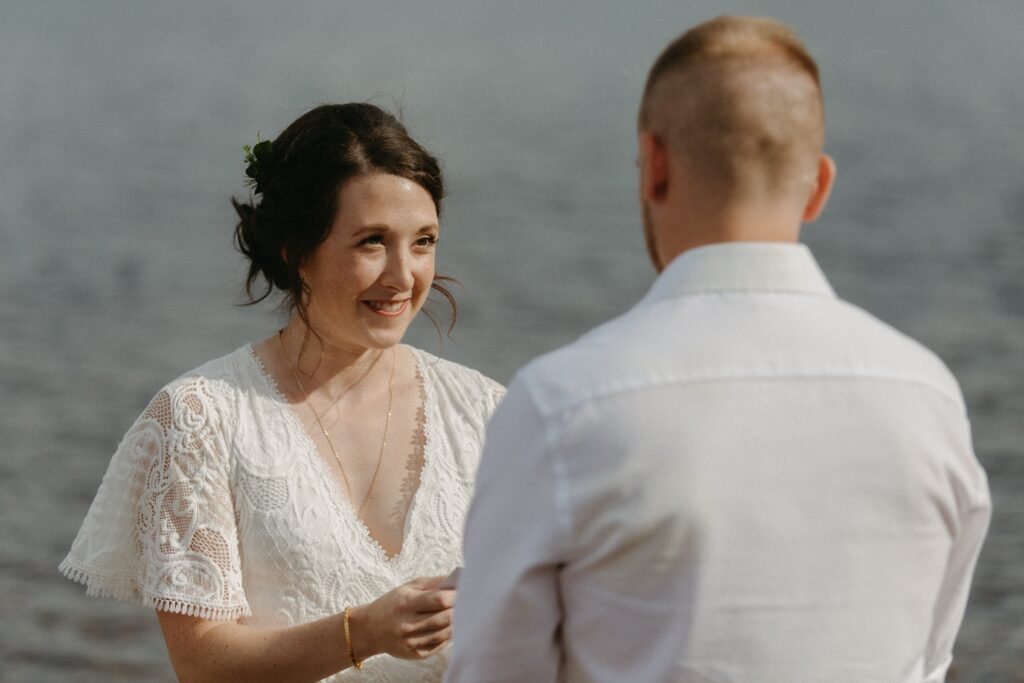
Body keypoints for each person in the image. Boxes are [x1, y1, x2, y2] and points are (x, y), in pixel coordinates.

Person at [447, 16, 990, 683]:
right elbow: (930, 659)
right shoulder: (928, 398)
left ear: (657, 167)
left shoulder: (562, 405)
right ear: (819, 186)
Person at [61, 103, 504, 682]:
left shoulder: (487, 411)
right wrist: (363, 633)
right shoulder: (201, 417)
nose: (404, 276)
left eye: (422, 242)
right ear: (297, 252)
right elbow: (202, 666)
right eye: (372, 242)